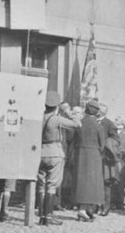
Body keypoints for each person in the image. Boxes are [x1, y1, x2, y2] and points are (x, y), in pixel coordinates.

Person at [36, 91, 81, 225]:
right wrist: (67, 112)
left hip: (40, 152)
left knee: (41, 184)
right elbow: (77, 124)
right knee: (52, 185)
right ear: (56, 105)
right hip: (55, 152)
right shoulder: (55, 119)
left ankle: (41, 215)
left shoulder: (40, 117)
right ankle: (48, 216)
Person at [73, 100, 105, 222]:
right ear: (96, 112)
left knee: (81, 182)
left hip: (80, 154)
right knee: (92, 183)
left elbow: (75, 140)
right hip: (94, 155)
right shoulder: (98, 126)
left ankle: (83, 209)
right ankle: (84, 210)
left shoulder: (79, 123)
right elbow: (102, 145)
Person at [97, 103, 120, 216]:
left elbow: (115, 139)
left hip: (105, 158)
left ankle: (105, 206)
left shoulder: (109, 123)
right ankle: (96, 205)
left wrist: (107, 145)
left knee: (105, 183)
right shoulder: (94, 122)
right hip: (95, 157)